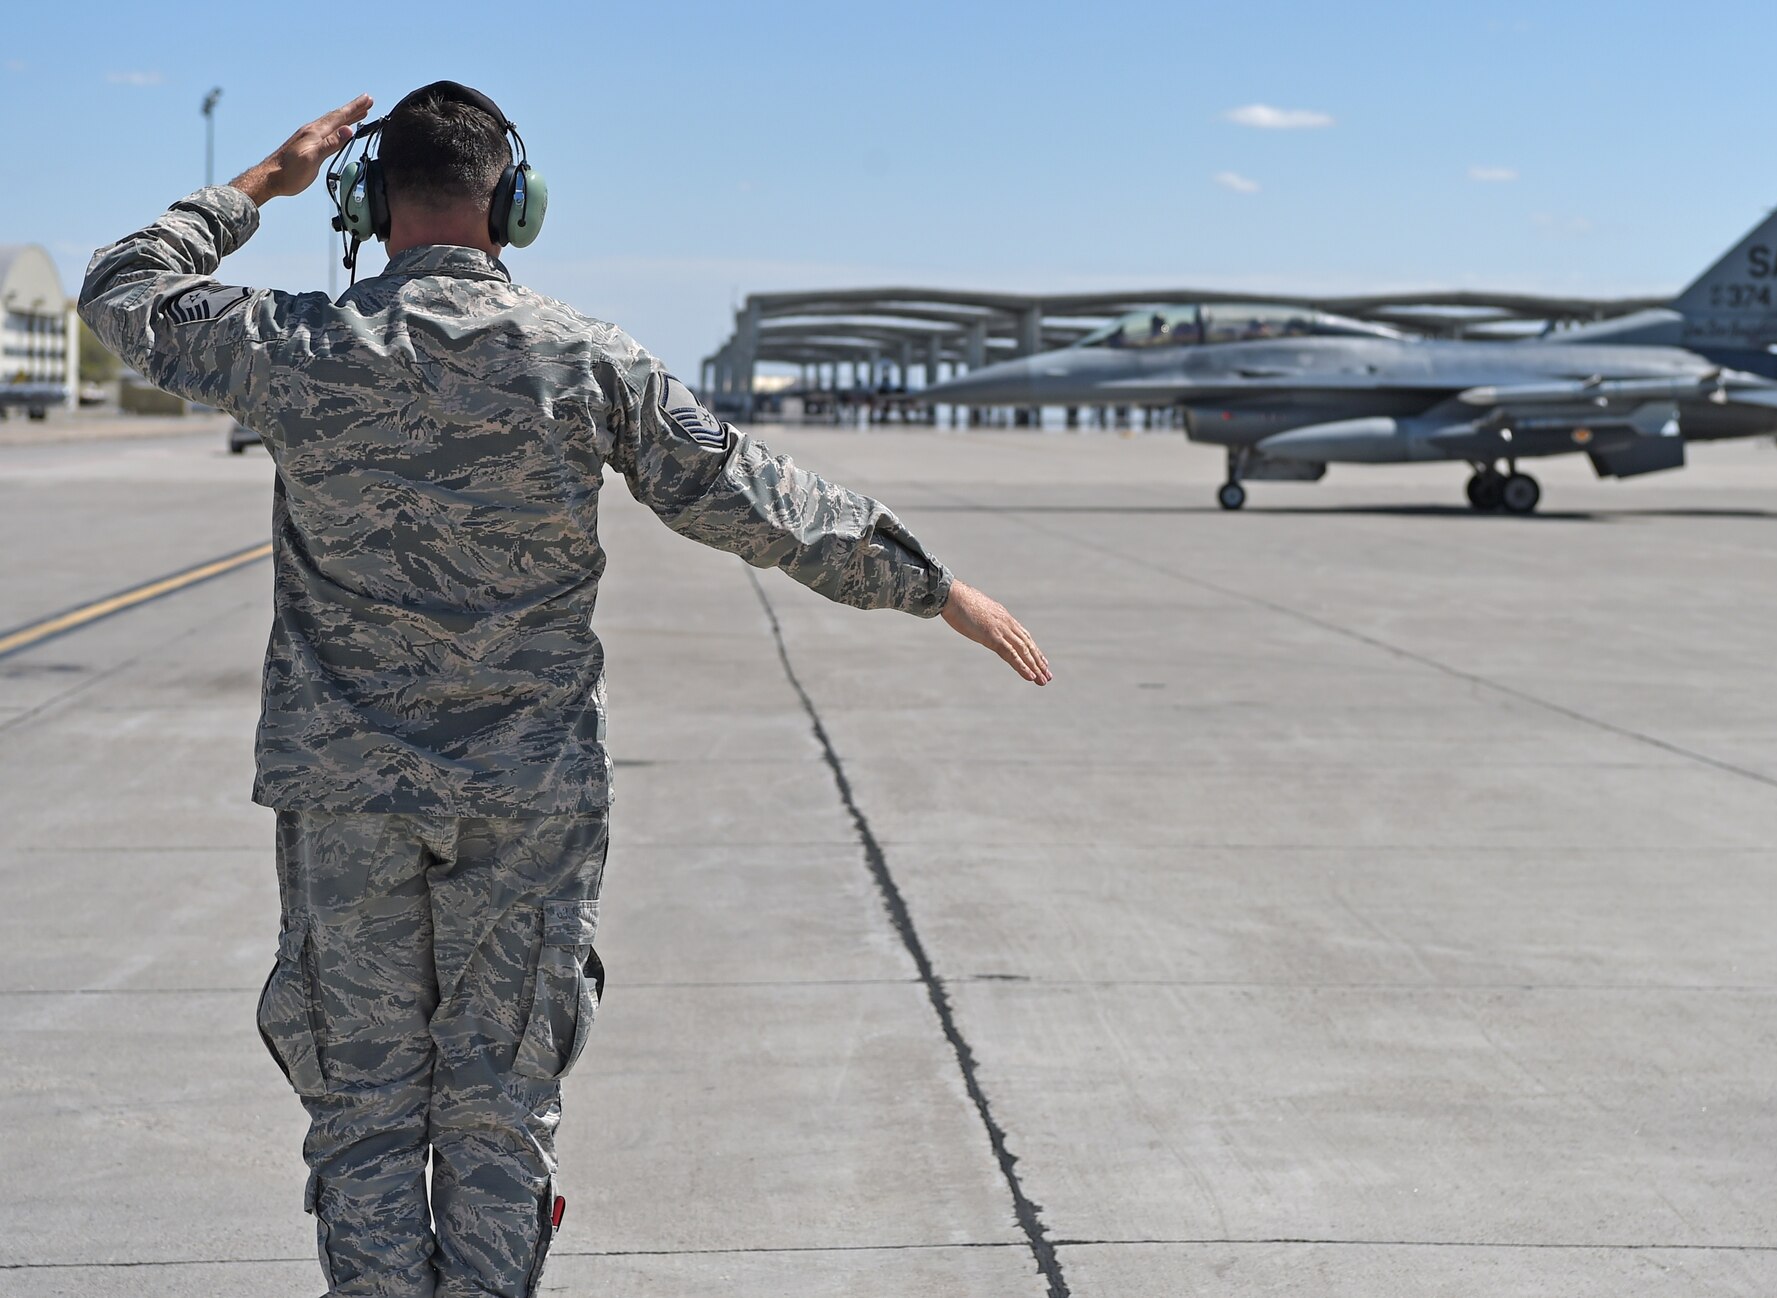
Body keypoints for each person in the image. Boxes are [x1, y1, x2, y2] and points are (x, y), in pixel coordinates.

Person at [79, 85, 1050, 1298]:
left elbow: (122, 289)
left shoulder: (296, 344)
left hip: (348, 800)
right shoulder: (581, 357)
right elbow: (749, 495)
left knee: (364, 1110)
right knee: (498, 1104)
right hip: (527, 798)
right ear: (512, 207)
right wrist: (930, 585)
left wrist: (258, 186)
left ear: (370, 203)